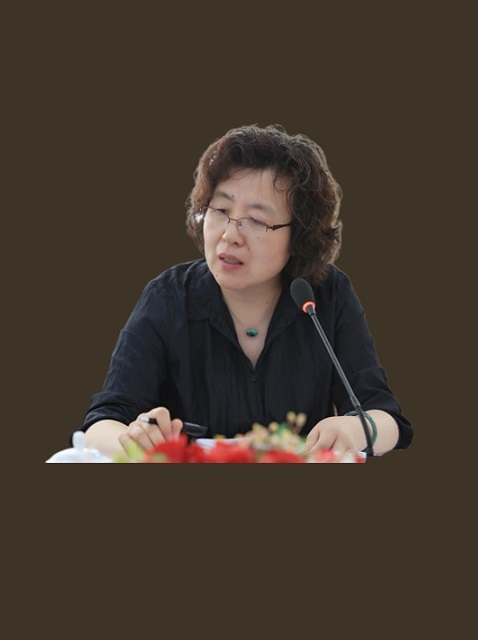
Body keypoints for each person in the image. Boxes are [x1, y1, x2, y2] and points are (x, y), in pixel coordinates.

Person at [80, 124, 413, 458]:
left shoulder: (327, 295)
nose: (230, 235)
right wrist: (135, 440)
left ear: (298, 236)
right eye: (221, 211)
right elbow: (101, 423)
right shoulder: (167, 297)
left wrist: (354, 429)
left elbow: (387, 419)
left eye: (256, 220)